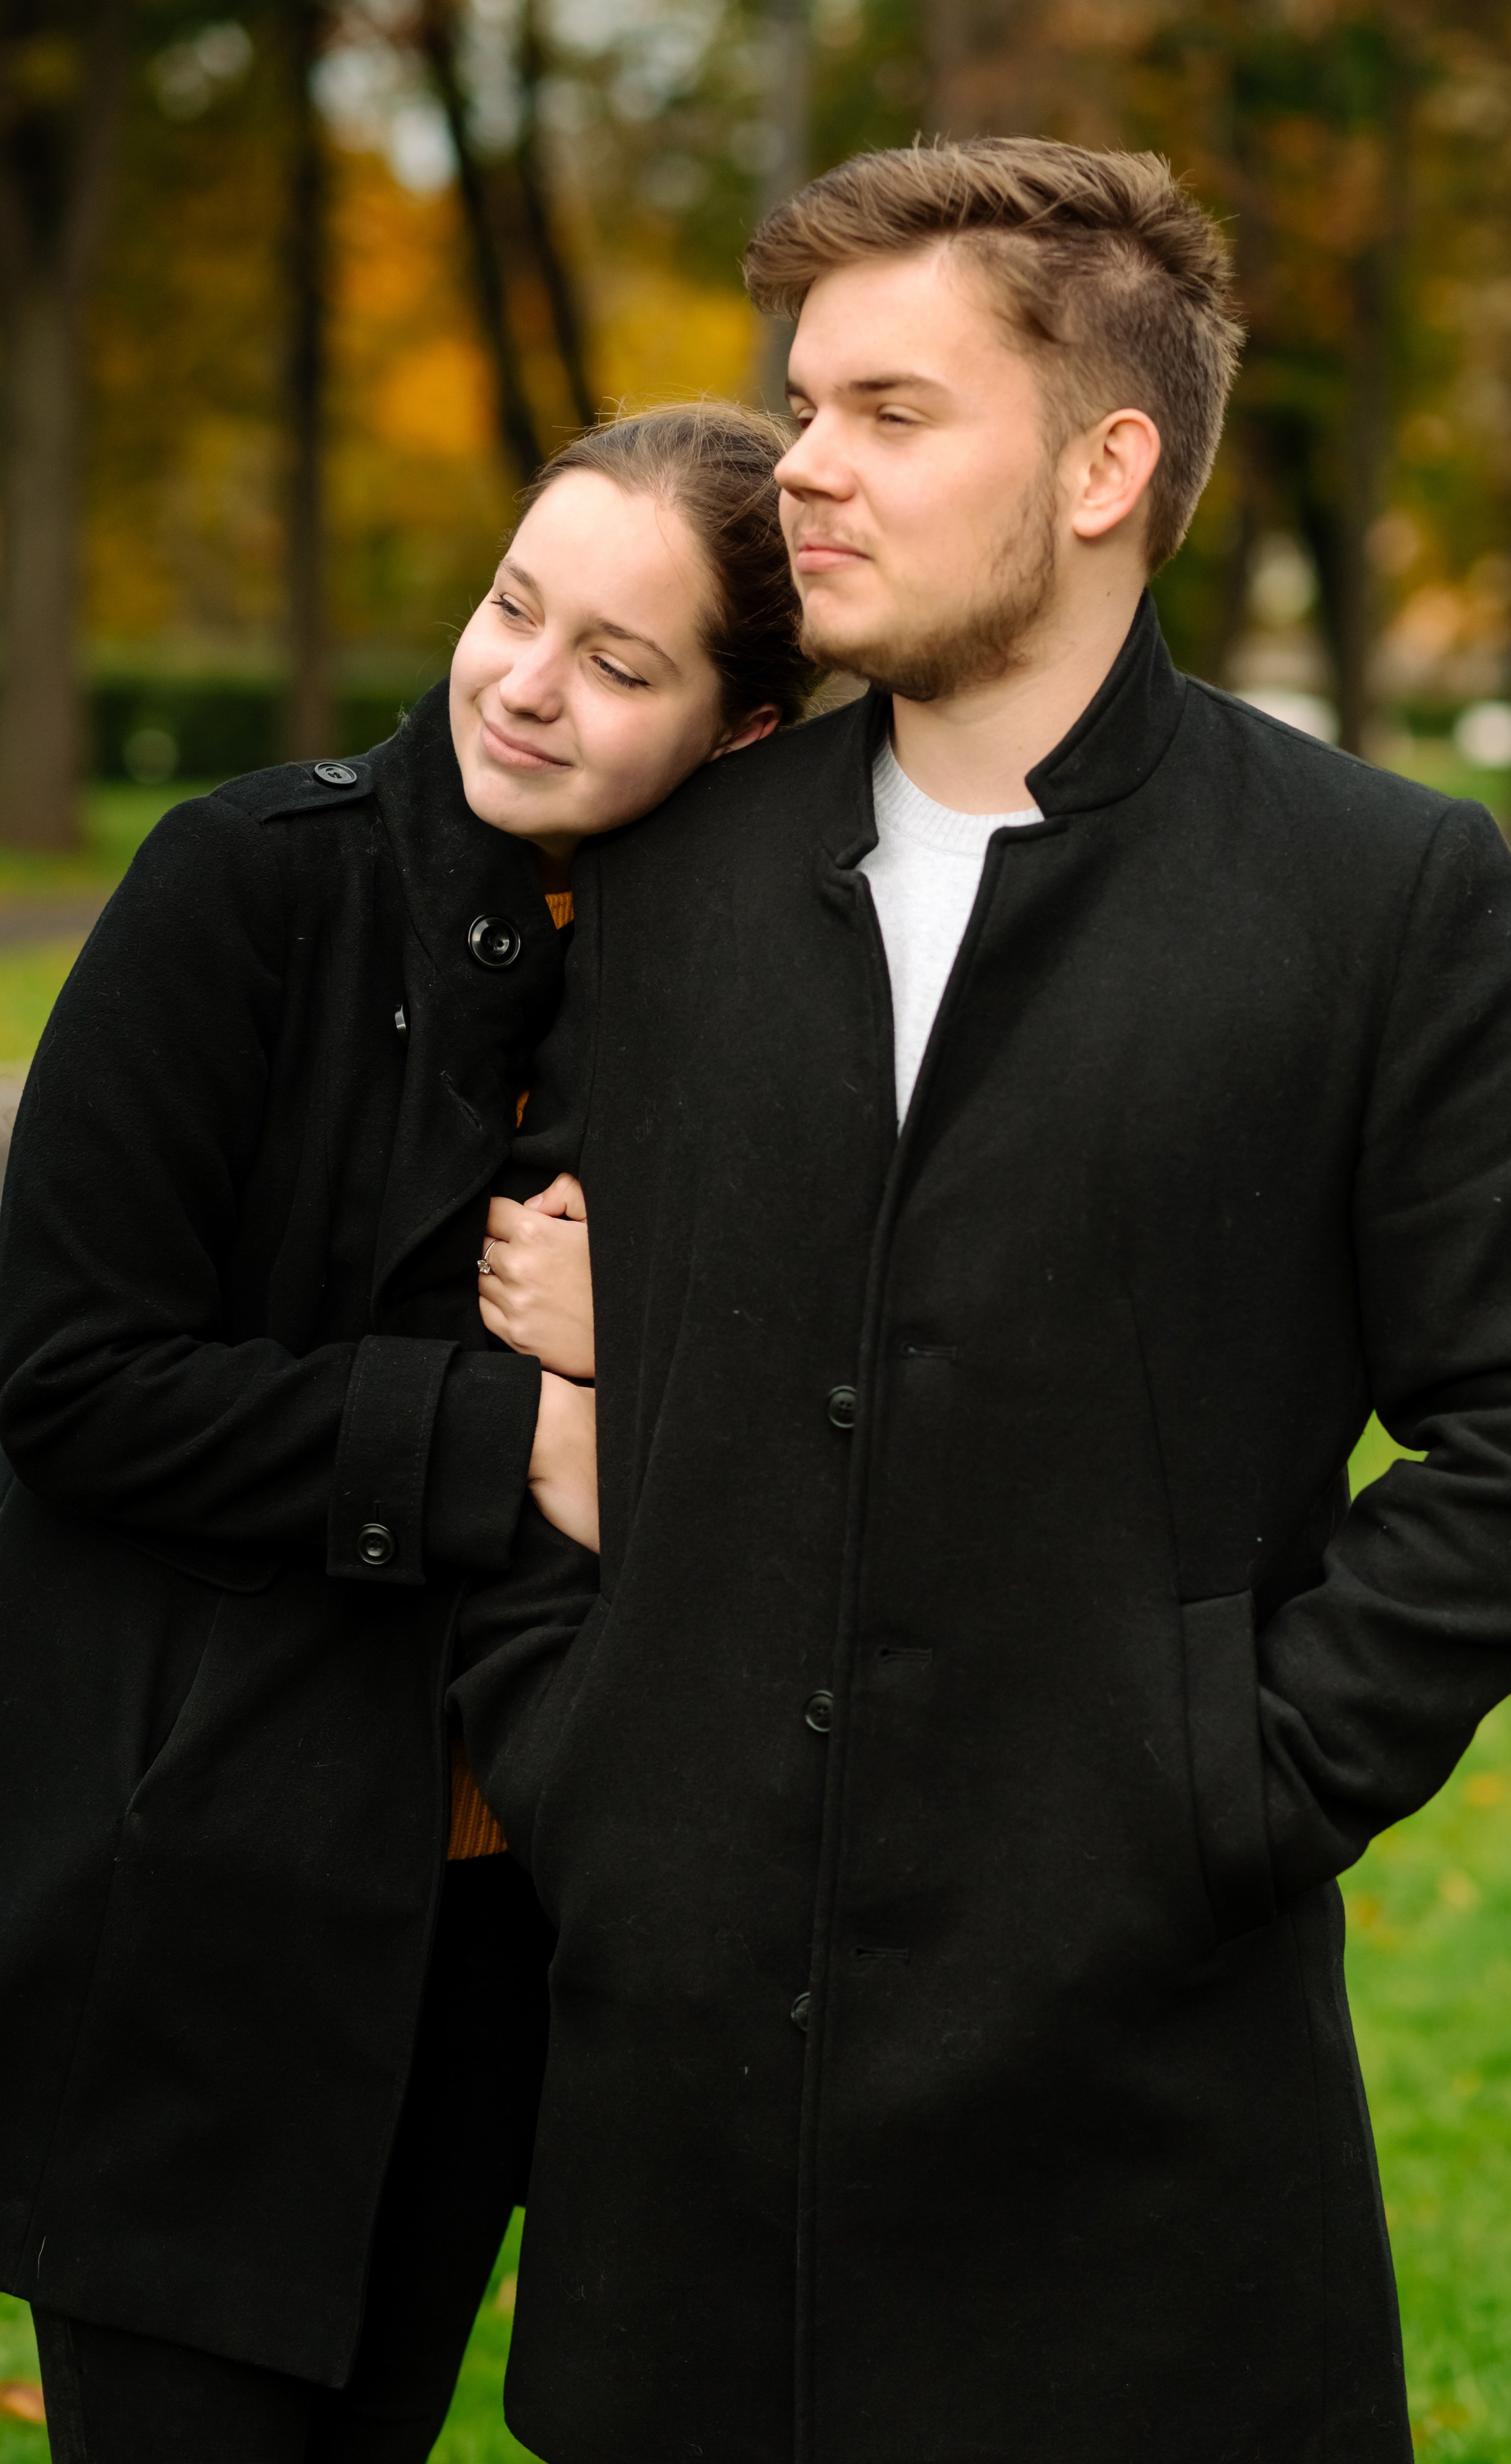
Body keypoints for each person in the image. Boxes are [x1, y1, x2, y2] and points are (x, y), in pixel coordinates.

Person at [465, 140, 1511, 2464]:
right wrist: (581, 1739)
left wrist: (1223, 1776)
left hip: (1144, 2140)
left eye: (893, 412)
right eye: (804, 404)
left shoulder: (1371, 894)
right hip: (686, 2145)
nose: (806, 465)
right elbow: (522, 1330)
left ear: (1109, 463)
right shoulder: (678, 881)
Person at [0, 402, 809, 2464]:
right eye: (512, 605)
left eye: (620, 664)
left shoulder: (747, 991)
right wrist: (509, 1435)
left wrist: (639, 1357)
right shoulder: (246, 886)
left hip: (512, 1930)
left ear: (737, 729)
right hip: (204, 1904)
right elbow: (68, 1373)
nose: (524, 683)